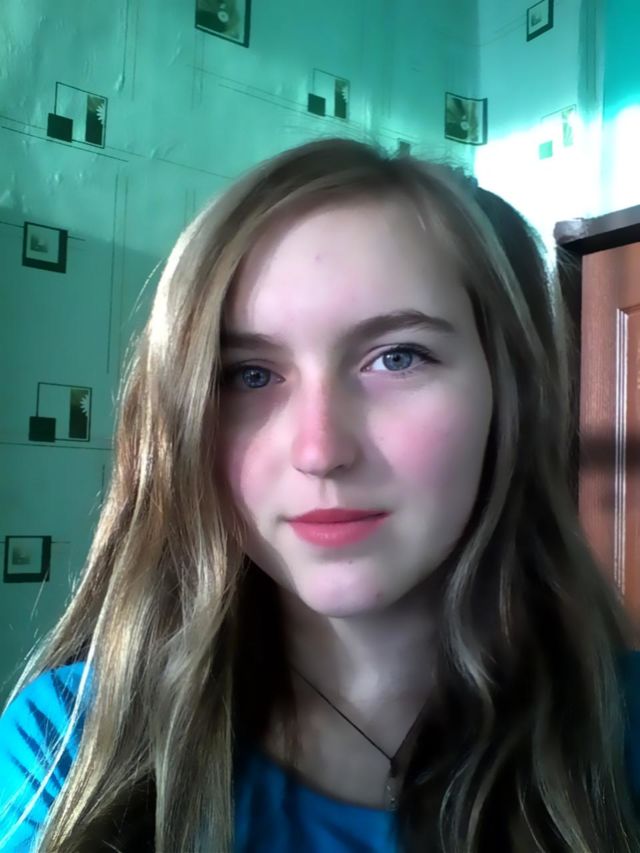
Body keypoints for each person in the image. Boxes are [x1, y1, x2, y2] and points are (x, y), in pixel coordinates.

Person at [0, 136, 639, 853]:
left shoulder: (621, 732)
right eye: (249, 374)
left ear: (507, 393)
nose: (320, 450)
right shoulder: (72, 749)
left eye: (397, 357)